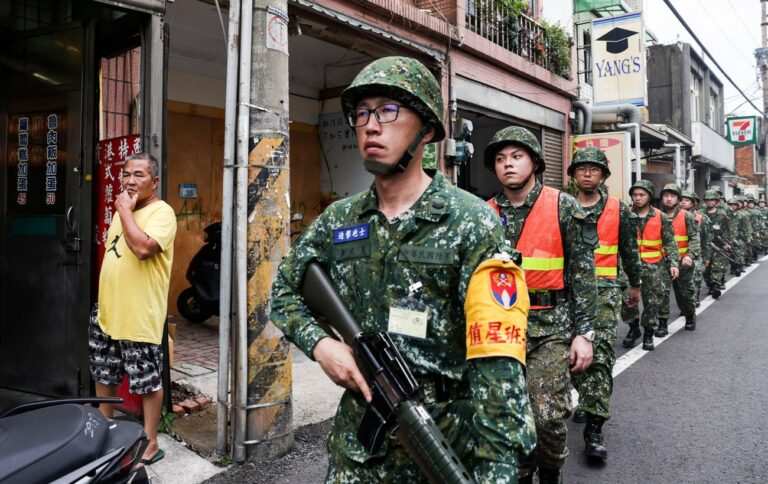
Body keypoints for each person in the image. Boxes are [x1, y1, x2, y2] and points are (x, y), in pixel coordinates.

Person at [270, 56, 536, 484]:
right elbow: (284, 289)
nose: (371, 126)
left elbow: (498, 368)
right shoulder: (341, 219)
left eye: (389, 111)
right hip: (358, 447)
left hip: (442, 440)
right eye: (362, 114)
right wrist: (321, 345)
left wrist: (498, 469)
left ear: (427, 130)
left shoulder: (471, 222)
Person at [485, 126, 597, 483]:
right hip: (500, 330)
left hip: (552, 327)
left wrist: (585, 334)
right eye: (501, 159)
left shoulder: (563, 205)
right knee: (508, 414)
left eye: (516, 157)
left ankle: (550, 472)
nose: (508, 165)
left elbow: (583, 273)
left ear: (534, 162)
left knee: (547, 414)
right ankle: (521, 473)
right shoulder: (483, 213)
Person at [90, 152, 177, 465]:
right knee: (104, 372)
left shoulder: (162, 213)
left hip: (139, 314)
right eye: (126, 174)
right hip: (108, 310)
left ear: (154, 181)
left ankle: (151, 441)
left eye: (138, 175)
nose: (129, 180)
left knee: (147, 382)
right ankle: (105, 427)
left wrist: (125, 210)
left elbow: (142, 249)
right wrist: (125, 211)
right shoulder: (123, 210)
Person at [567, 147, 642, 463]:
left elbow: (629, 250)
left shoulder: (617, 209)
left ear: (603, 176)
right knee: (568, 358)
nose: (587, 173)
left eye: (593, 169)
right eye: (581, 168)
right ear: (573, 174)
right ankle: (585, 398)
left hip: (604, 292)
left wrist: (635, 285)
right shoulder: (561, 206)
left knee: (599, 358)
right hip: (566, 294)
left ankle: (594, 430)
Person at [620, 180, 679, 350]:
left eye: (641, 195)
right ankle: (633, 328)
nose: (637, 198)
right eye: (635, 195)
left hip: (654, 267)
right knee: (627, 300)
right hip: (629, 267)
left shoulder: (660, 217)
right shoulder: (625, 215)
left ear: (649, 196)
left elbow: (670, 242)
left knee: (652, 302)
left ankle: (647, 332)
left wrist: (673, 263)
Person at [657, 184, 700, 332]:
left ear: (678, 199)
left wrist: (690, 255)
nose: (669, 199)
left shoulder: (686, 215)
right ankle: (662, 323)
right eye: (666, 196)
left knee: (685, 293)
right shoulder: (655, 214)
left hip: (683, 262)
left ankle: (689, 316)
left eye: (672, 196)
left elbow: (694, 238)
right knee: (662, 293)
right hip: (662, 261)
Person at [680, 190, 710, 307]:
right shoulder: (674, 216)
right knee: (682, 282)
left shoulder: (701, 218)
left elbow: (706, 239)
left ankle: (694, 299)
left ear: (693, 203)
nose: (683, 203)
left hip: (696, 253)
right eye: (681, 200)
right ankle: (685, 304)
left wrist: (706, 256)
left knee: (695, 278)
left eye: (686, 201)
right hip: (680, 253)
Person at [702, 189, 731, 299]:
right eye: (707, 200)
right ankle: (711, 285)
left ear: (716, 202)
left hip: (718, 245)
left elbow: (726, 231)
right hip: (705, 246)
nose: (710, 202)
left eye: (712, 200)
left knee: (717, 267)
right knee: (706, 269)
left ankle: (716, 285)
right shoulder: (700, 213)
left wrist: (727, 243)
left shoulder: (722, 215)